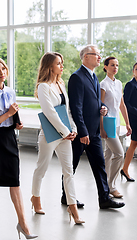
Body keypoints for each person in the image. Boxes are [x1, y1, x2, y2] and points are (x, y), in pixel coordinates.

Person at [0, 57, 37, 239]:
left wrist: (15, 122)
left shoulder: (11, 91)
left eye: (3, 68)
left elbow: (12, 116)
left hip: (9, 138)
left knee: (14, 180)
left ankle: (23, 223)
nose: (2, 72)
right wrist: (8, 114)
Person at [62, 45, 125, 209]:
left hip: (94, 132)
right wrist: (82, 131)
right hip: (81, 133)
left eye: (99, 55)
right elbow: (76, 107)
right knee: (72, 165)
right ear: (85, 57)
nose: (99, 57)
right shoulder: (77, 77)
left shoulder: (94, 77)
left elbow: (95, 101)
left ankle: (104, 198)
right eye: (96, 55)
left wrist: (102, 107)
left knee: (100, 166)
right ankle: (66, 196)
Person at [31, 52, 84, 224]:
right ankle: (35, 199)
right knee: (42, 169)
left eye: (62, 63)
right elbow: (50, 113)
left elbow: (67, 111)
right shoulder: (43, 86)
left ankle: (73, 208)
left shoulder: (61, 84)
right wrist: (64, 131)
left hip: (66, 135)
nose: (62, 66)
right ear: (49, 66)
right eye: (58, 63)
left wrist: (73, 129)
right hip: (50, 134)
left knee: (68, 171)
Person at [100, 57, 132, 198]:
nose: (115, 67)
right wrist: (101, 127)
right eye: (112, 65)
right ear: (106, 67)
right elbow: (99, 107)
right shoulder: (103, 84)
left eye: (117, 65)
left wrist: (128, 123)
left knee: (108, 154)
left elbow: (122, 105)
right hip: (107, 123)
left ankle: (104, 184)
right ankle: (112, 186)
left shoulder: (119, 83)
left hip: (117, 123)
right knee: (119, 154)